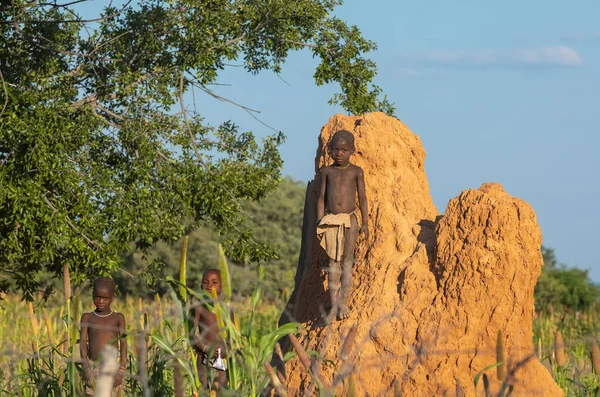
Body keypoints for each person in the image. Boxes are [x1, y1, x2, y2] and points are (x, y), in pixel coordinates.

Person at [317, 129, 369, 323]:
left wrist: (365, 222)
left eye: (344, 150)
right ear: (329, 150)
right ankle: (333, 306)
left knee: (347, 262)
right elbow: (321, 198)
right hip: (330, 221)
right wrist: (319, 222)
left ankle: (343, 302)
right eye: (336, 149)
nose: (339, 153)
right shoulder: (327, 172)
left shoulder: (356, 171)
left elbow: (362, 197)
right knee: (333, 264)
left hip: (350, 220)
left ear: (352, 151)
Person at [80, 277, 127, 397]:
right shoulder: (87, 317)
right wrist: (86, 370)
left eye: (105, 298)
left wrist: (121, 370)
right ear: (92, 296)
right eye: (97, 297)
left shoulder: (118, 318)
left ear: (112, 298)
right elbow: (83, 344)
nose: (100, 301)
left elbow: (123, 345)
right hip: (93, 368)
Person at [192, 269, 230, 391]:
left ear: (222, 286)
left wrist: (226, 349)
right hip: (204, 358)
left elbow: (233, 336)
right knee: (204, 389)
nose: (209, 286)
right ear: (201, 286)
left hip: (222, 358)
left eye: (214, 282)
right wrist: (205, 348)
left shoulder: (227, 310)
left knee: (222, 390)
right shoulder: (198, 307)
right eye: (206, 282)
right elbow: (190, 334)